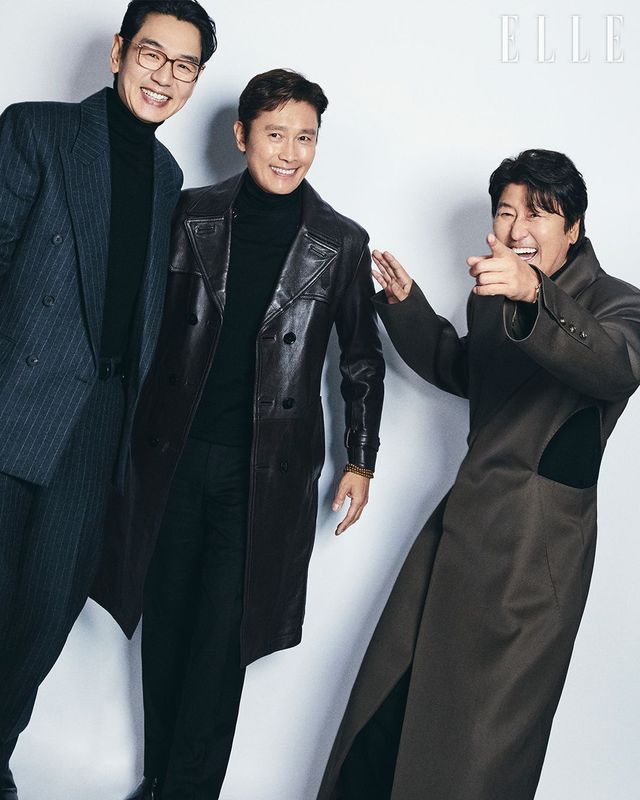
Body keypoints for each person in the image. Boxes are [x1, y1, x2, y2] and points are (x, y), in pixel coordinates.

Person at [317, 149, 640, 800]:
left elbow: (614, 368)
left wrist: (535, 295)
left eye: (538, 214)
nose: (518, 228)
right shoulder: (493, 296)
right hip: (458, 529)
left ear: (574, 227)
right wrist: (407, 307)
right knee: (387, 712)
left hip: (535, 558)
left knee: (479, 746)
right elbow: (469, 373)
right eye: (506, 212)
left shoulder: (620, 304)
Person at [107, 68, 385, 800]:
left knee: (220, 641)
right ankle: (158, 780)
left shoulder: (340, 242)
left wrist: (361, 460)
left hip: (265, 471)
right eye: (275, 134)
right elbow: (145, 320)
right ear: (242, 136)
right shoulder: (191, 213)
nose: (290, 152)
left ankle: (189, 791)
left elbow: (361, 358)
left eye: (305, 137)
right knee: (166, 623)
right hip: (171, 453)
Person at [0, 2, 216, 797]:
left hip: (101, 418)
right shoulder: (37, 130)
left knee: (45, 614)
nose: (165, 76)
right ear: (120, 52)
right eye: (153, 54)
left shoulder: (168, 178)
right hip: (14, 399)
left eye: (184, 66)